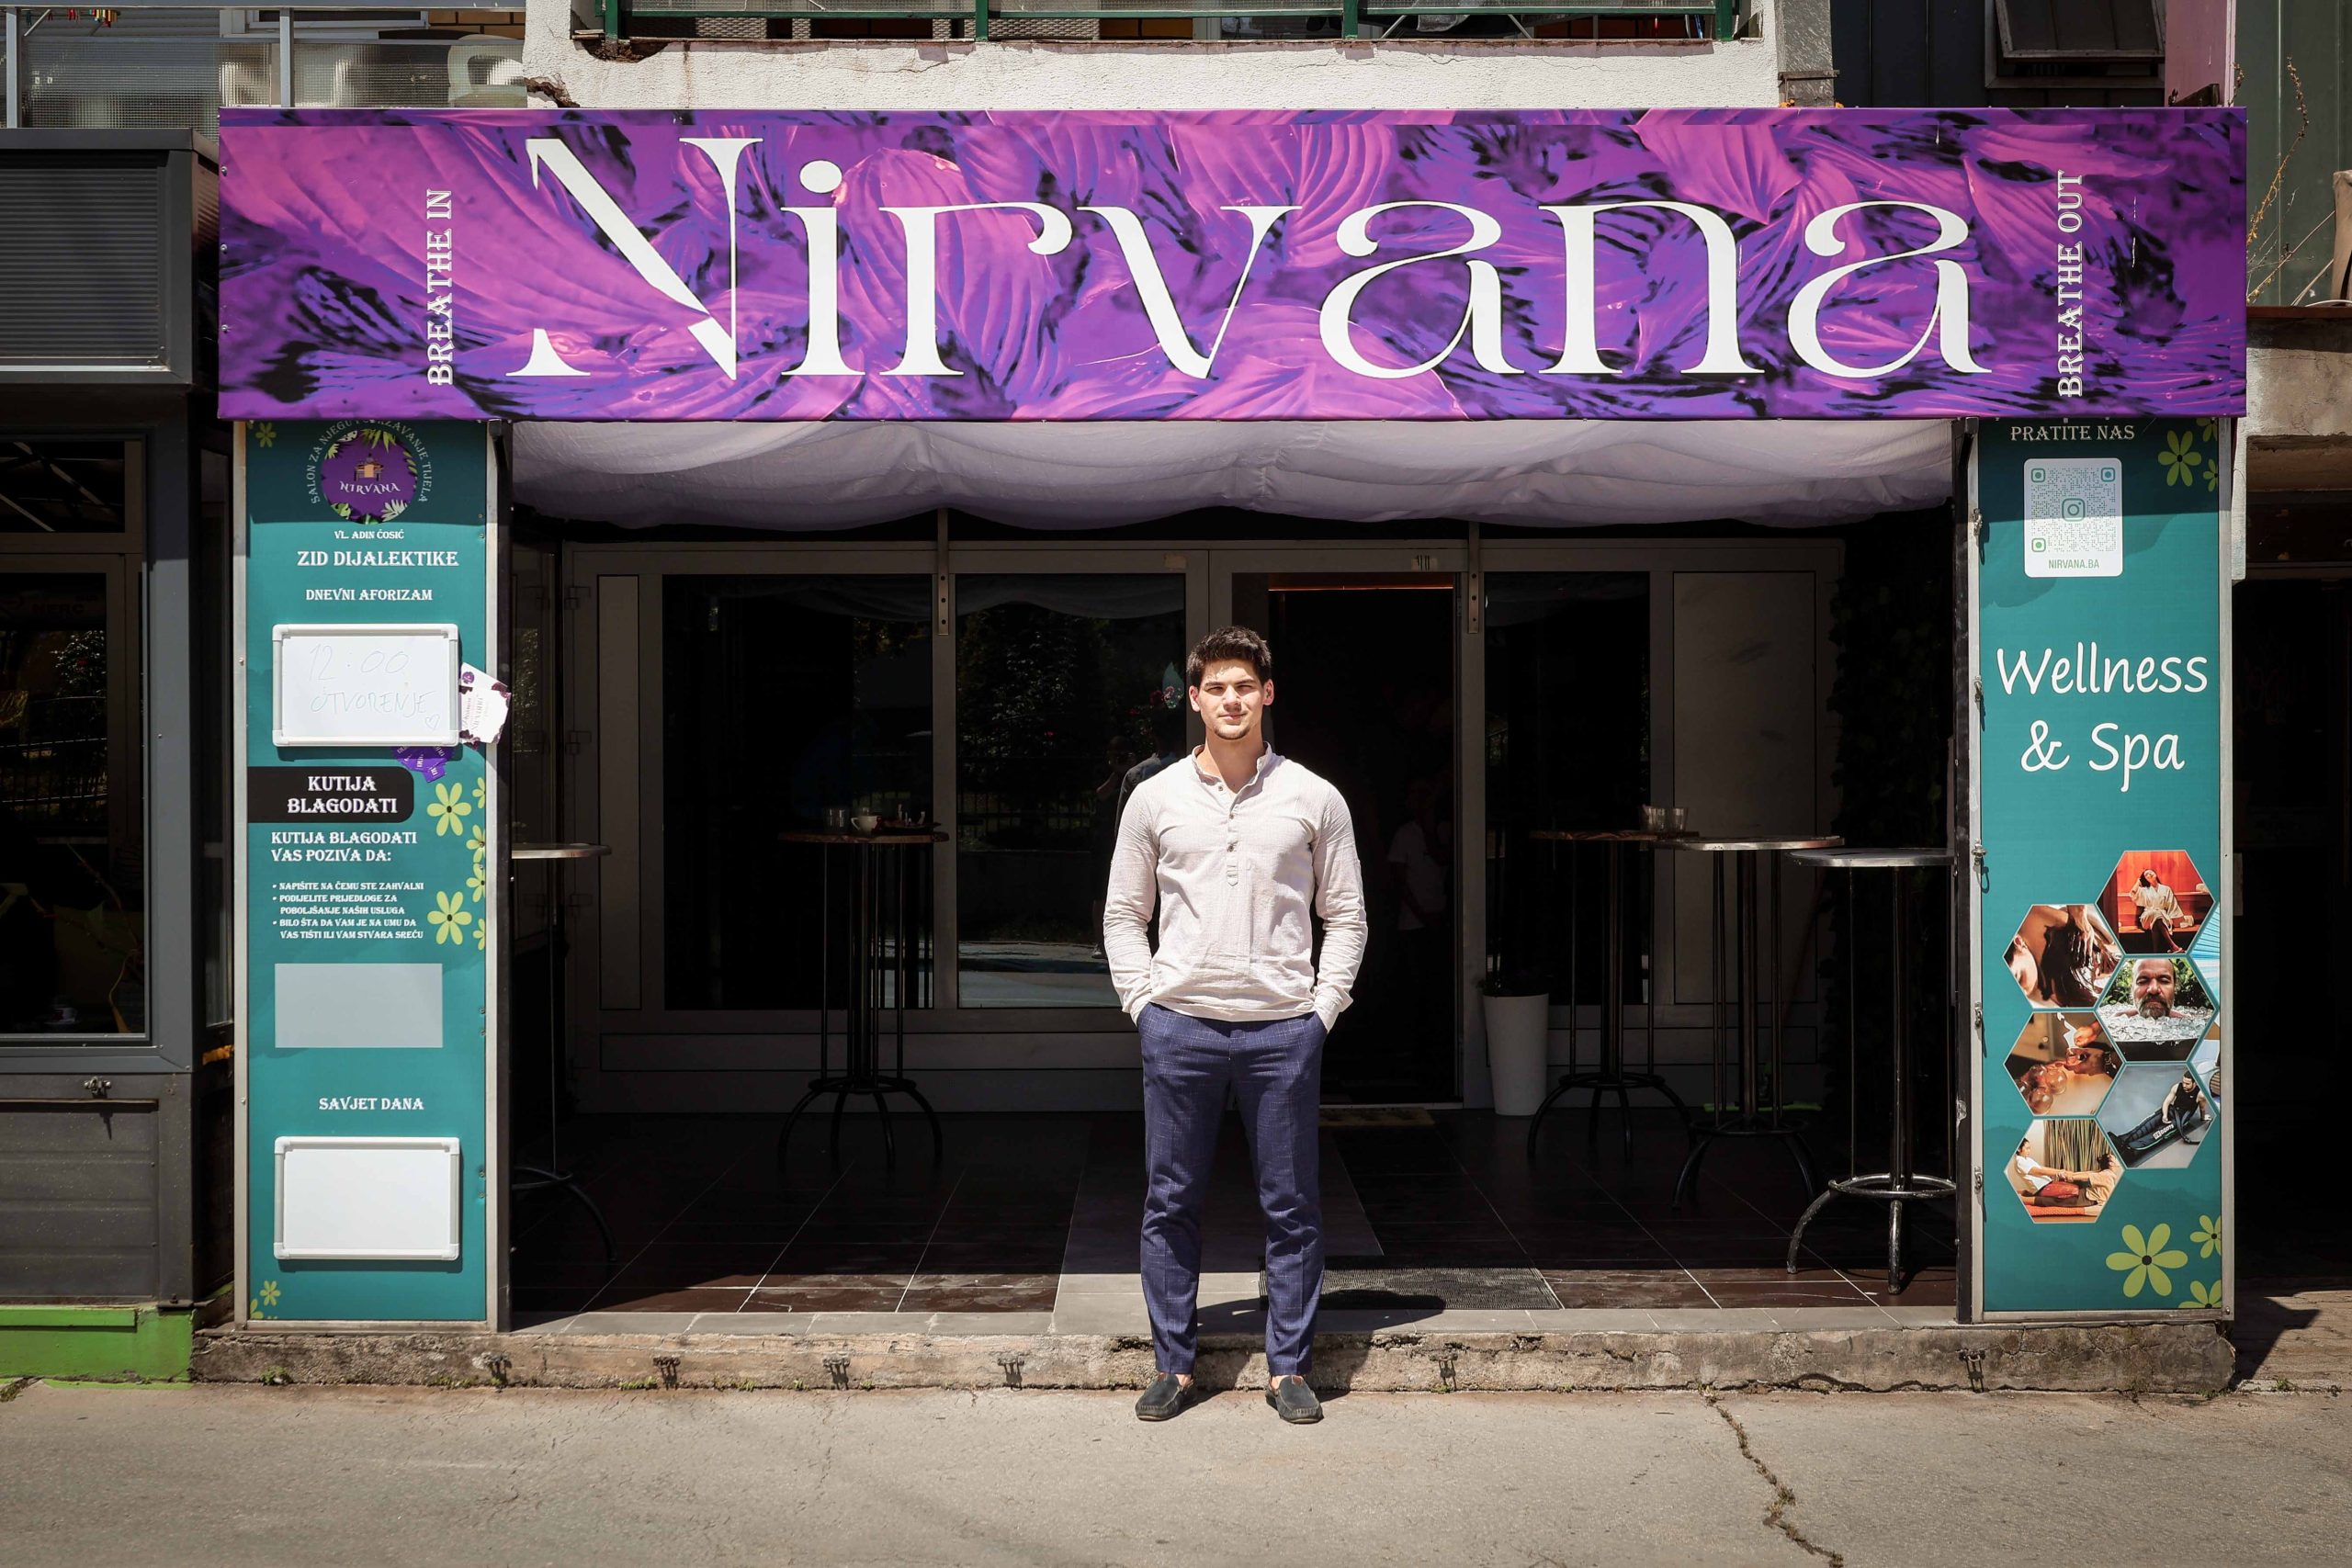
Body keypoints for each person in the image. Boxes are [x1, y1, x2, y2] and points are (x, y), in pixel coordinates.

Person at [1102, 626, 1367, 1427]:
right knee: (1170, 1201)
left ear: (1267, 694)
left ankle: (1289, 1368)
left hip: (1281, 1032)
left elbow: (1347, 916)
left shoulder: (1314, 797)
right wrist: (1144, 1006)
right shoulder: (1154, 797)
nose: (1231, 699)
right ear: (1194, 698)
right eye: (1216, 687)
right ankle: (1174, 1365)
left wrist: (1321, 1011)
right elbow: (1123, 914)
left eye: (1244, 686)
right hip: (1180, 1026)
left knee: (1291, 1205)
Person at [2130, 868, 2194, 953]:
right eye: (2146, 874)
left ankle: (2156, 952)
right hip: (2147, 917)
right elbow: (2132, 894)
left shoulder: (2166, 889)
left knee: (2157, 919)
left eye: (2151, 872)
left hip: (2163, 917)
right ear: (2145, 879)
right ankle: (2173, 946)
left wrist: (2171, 918)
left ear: (2155, 874)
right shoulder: (2144, 890)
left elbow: (2171, 903)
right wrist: (2138, 882)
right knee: (2156, 914)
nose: (2149, 874)